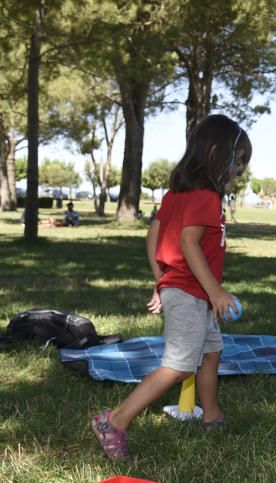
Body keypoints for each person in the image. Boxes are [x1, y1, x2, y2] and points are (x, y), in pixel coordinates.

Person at [90, 114, 251, 460]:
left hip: (186, 291)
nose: (238, 171)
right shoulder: (206, 197)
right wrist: (216, 292)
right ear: (215, 153)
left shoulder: (177, 194)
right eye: (237, 162)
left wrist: (160, 281)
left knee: (211, 353)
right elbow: (189, 244)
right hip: (193, 294)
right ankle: (114, 421)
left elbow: (154, 236)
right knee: (179, 366)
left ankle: (211, 415)